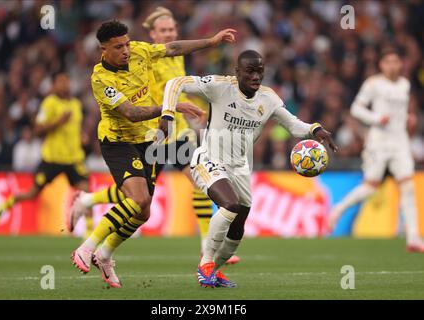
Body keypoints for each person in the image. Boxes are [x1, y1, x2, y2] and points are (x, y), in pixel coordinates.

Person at [70, 20, 236, 288]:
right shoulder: (101, 79)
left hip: (149, 140)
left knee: (143, 212)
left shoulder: (139, 51)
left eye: (126, 44)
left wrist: (211, 42)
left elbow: (172, 48)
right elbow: (131, 113)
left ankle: (105, 254)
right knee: (139, 198)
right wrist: (170, 107)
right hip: (118, 141)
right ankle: (87, 247)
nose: (126, 50)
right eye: (118, 47)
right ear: (103, 49)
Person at [159, 50, 337, 287]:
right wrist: (168, 113)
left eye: (260, 71)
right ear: (237, 72)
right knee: (230, 205)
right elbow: (176, 82)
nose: (256, 76)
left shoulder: (268, 99)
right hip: (209, 159)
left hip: (240, 167)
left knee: (238, 226)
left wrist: (316, 129)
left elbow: (293, 125)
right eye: (250, 71)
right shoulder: (219, 86)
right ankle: (206, 263)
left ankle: (214, 271)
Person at [328, 47, 424, 253]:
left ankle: (414, 237)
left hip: (400, 142)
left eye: (396, 61)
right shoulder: (373, 84)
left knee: (407, 187)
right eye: (388, 62)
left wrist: (410, 119)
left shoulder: (405, 85)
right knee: (371, 187)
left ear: (401, 64)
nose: (392, 66)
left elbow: (405, 112)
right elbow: (356, 108)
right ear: (381, 65)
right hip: (378, 143)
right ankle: (338, 209)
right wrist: (376, 118)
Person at [0, 72, 93, 236]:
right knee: (32, 193)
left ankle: (89, 236)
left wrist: (82, 136)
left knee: (87, 195)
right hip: (52, 159)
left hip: (73, 159)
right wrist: (58, 122)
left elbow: (75, 127)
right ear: (54, 85)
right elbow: (37, 129)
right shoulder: (49, 103)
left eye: (67, 80)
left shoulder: (75, 104)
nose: (65, 84)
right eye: (61, 81)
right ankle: (4, 205)